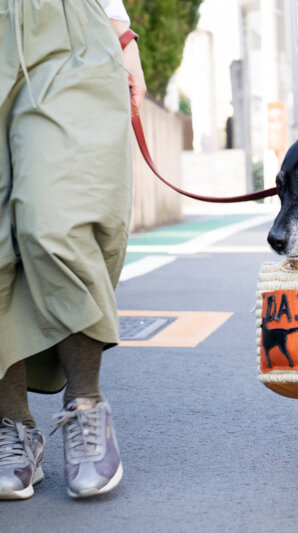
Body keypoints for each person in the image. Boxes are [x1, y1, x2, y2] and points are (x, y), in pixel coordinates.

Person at [0, 0, 146, 499]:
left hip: (63, 26)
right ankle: (12, 426)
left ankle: (87, 404)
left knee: (56, 220)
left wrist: (120, 30)